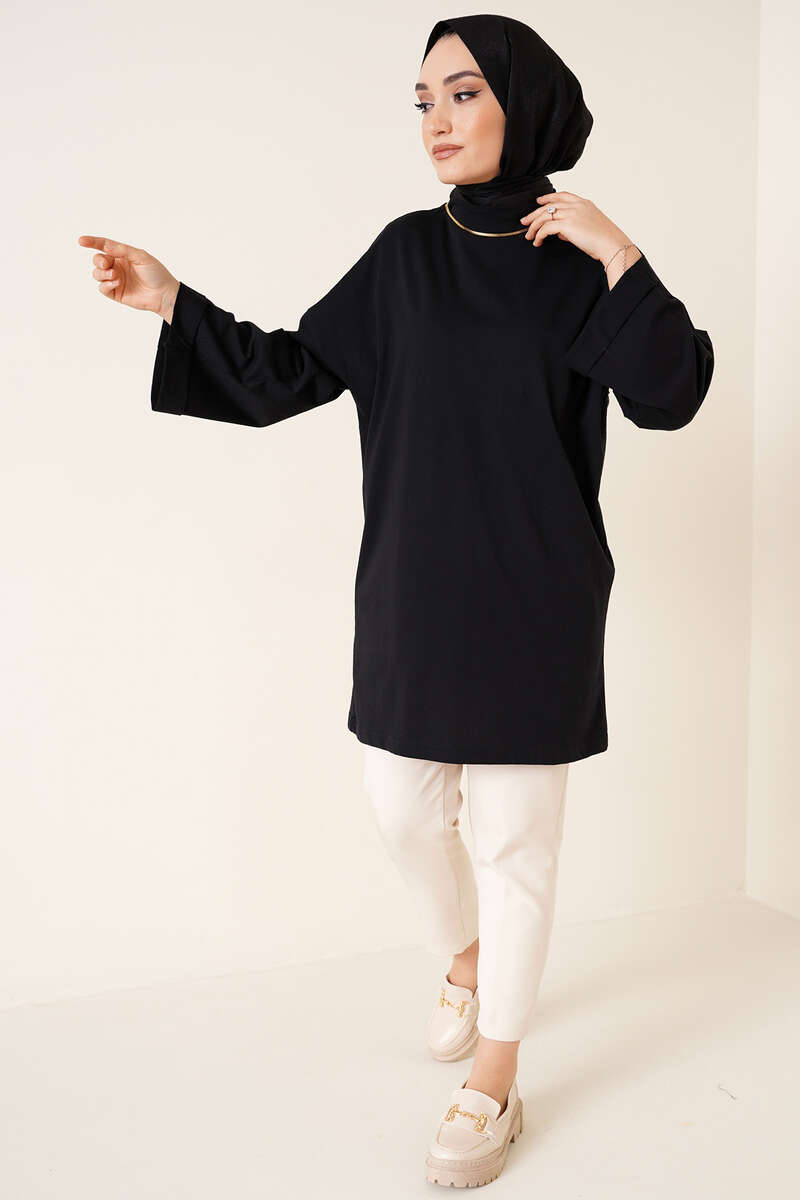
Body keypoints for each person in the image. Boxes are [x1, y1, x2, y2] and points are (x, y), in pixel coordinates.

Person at [78, 12, 714, 1188]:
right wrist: (172, 301)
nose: (435, 120)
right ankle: (465, 960)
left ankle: (495, 1081)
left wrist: (621, 252)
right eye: (422, 100)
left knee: (514, 842)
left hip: (537, 595)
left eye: (461, 93)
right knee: (401, 811)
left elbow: (668, 397)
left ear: (523, 104)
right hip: (414, 591)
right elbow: (286, 371)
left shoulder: (578, 261)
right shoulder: (403, 257)